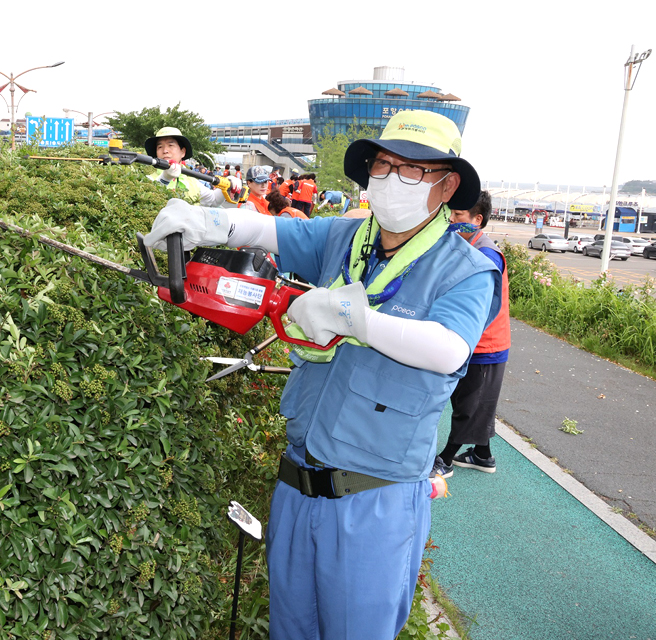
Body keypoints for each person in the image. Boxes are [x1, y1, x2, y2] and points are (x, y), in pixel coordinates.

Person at [143, 110, 500, 640]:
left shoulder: (467, 269)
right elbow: (273, 228)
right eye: (383, 165)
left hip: (373, 501)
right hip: (297, 483)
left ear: (447, 186)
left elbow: (448, 350)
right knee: (290, 629)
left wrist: (354, 318)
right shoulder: (345, 238)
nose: (390, 180)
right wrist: (208, 221)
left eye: (411, 170)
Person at [432, 191, 510, 478]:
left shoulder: (486, 253)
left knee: (469, 405)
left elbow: (479, 308)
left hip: (485, 344)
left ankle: (446, 459)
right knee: (473, 400)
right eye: (450, 214)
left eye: (459, 216)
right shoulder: (466, 244)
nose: (452, 220)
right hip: (472, 341)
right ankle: (482, 454)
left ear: (478, 220)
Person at [145, 127, 241, 207]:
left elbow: (213, 201)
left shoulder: (192, 182)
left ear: (183, 152)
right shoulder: (147, 179)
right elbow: (147, 204)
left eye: (170, 145)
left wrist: (228, 183)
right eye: (160, 147)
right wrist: (165, 178)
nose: (165, 150)